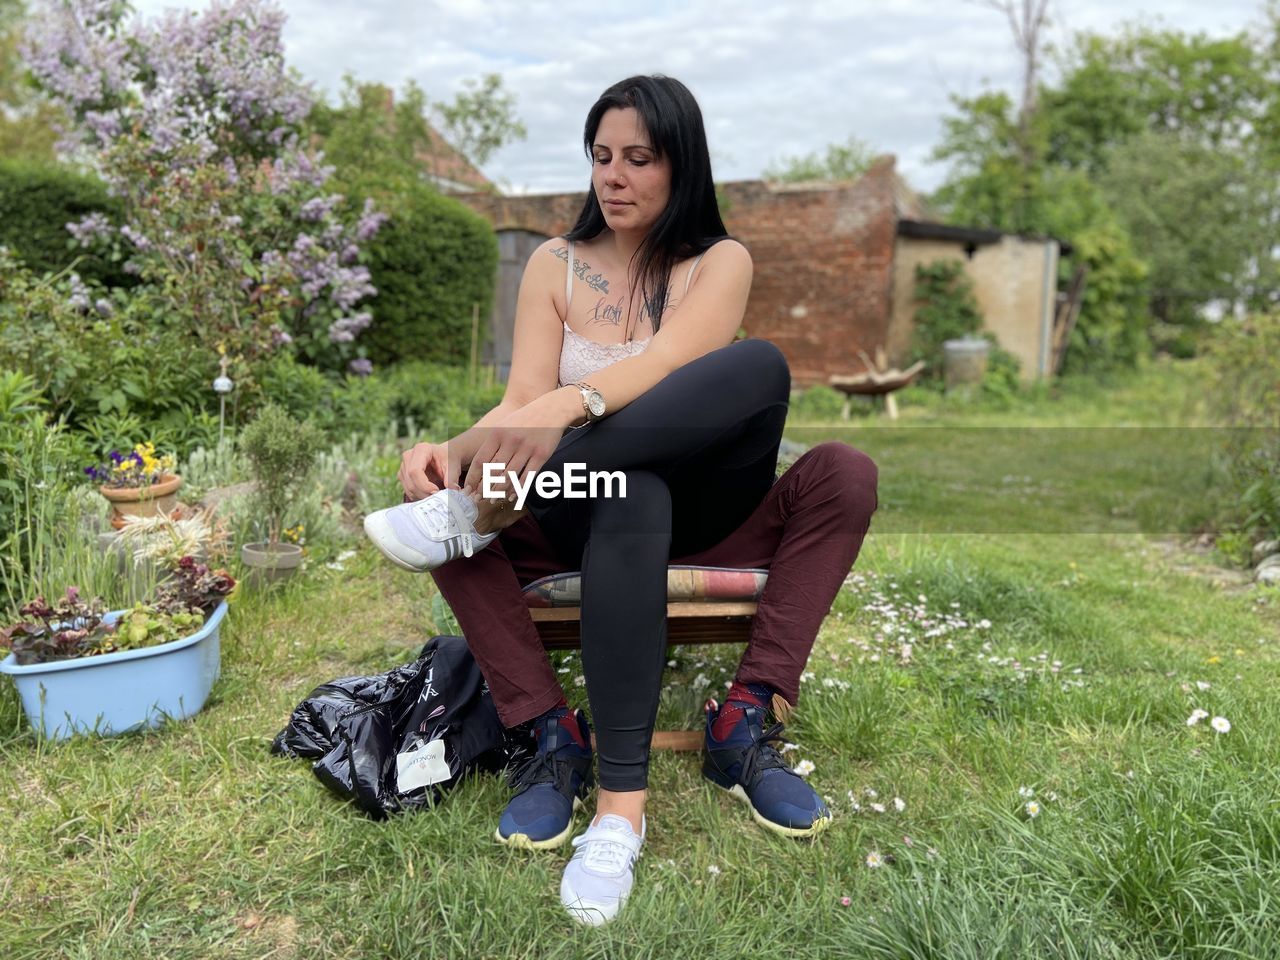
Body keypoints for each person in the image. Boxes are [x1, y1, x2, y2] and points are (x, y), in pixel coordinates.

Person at [363, 74, 878, 925]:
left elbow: (675, 360)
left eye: (639, 158)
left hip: (711, 505)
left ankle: (743, 724)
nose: (616, 175)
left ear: (682, 166)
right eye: (602, 156)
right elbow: (522, 393)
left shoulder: (721, 261)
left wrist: (562, 411)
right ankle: (563, 754)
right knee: (573, 494)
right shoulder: (554, 265)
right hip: (589, 502)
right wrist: (454, 451)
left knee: (785, 397)